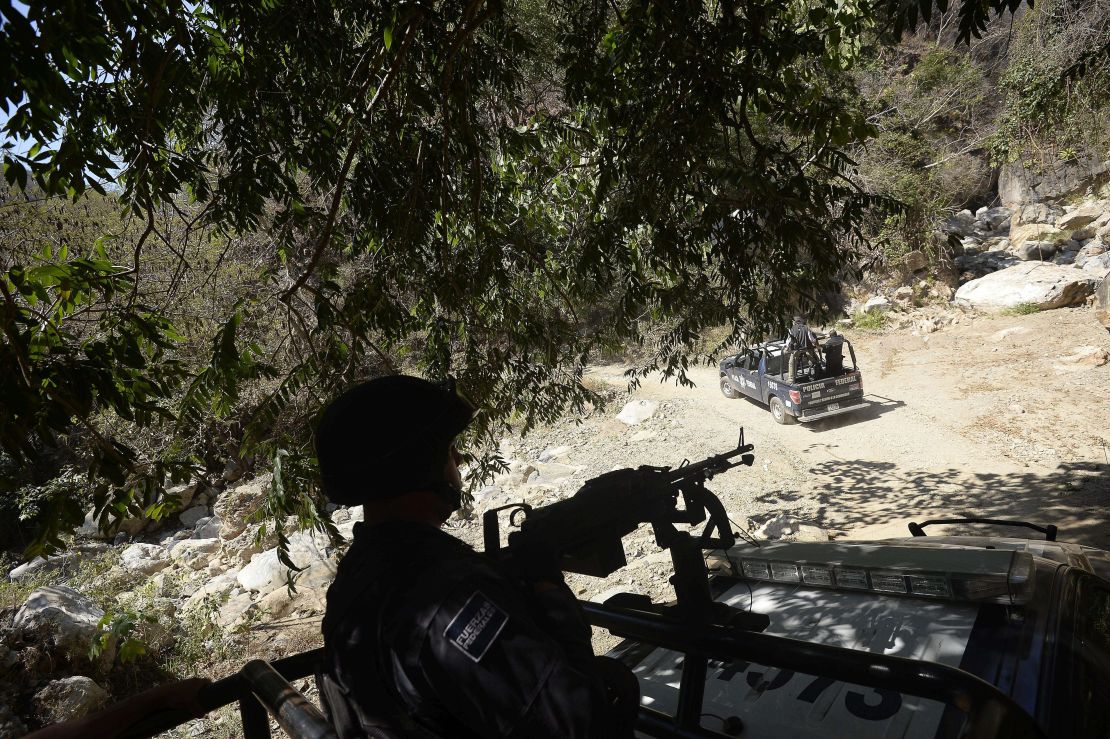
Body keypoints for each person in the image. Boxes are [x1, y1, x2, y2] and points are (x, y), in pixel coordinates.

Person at [314, 375, 639, 738]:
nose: (458, 457)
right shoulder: (449, 598)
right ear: (418, 464)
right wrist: (548, 588)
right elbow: (578, 720)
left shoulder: (360, 571)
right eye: (448, 448)